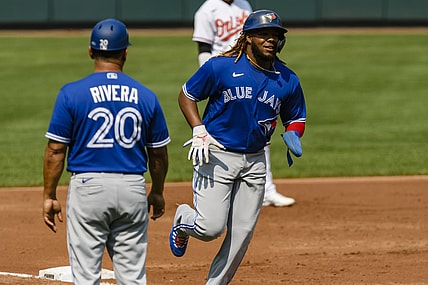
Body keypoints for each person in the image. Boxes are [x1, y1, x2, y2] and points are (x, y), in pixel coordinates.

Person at [170, 9, 306, 284]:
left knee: (242, 233)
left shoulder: (287, 79)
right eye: (263, 34)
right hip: (217, 153)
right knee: (210, 228)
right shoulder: (220, 66)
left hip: (255, 160)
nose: (271, 39)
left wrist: (293, 132)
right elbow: (187, 95)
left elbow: (296, 116)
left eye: (275, 35)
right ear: (247, 38)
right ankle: (183, 220)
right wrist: (198, 129)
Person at [42, 18, 170, 285]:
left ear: (90, 51)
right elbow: (158, 154)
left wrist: (49, 195)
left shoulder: (71, 93)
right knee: (133, 277)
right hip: (132, 189)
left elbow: (55, 150)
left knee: (87, 276)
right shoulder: (146, 96)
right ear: (125, 52)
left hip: (88, 189)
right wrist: (157, 191)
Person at [193, 0, 296, 207]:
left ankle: (267, 190)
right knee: (221, 132)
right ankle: (213, 191)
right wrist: (211, 78)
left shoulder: (243, 5)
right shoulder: (207, 9)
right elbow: (204, 48)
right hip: (224, 76)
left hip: (253, 70)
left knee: (259, 128)